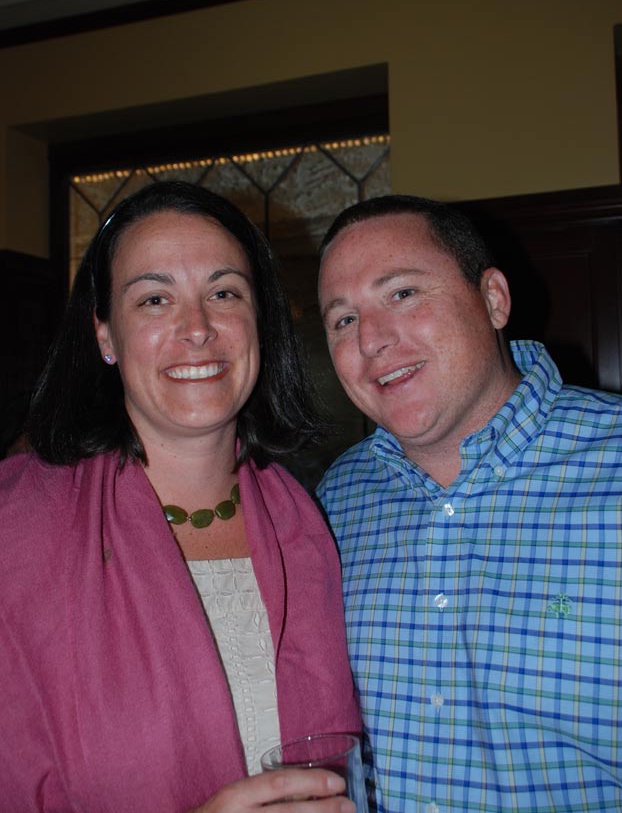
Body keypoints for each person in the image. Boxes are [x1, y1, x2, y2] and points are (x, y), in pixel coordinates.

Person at [0, 180, 361, 813]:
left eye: (224, 293)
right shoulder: (13, 529)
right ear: (105, 334)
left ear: (259, 320)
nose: (197, 329)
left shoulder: (311, 521)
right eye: (154, 299)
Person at [316, 194, 622, 813]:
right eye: (343, 320)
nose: (371, 339)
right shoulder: (330, 503)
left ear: (493, 299)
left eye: (402, 293)